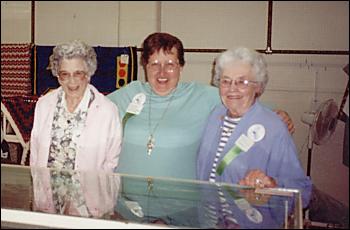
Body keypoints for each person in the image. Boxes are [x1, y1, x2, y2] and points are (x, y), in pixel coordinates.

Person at [107, 32, 294, 180]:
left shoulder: (200, 96)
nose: (161, 72)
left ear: (181, 66)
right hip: (127, 203)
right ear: (144, 66)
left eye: (170, 64)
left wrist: (278, 114)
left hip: (181, 206)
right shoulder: (130, 93)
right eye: (154, 64)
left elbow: (241, 99)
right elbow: (96, 105)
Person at [196, 47, 312, 210]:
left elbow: (302, 191)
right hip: (210, 219)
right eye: (226, 81)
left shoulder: (274, 127)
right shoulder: (216, 116)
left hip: (249, 222)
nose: (232, 88)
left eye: (242, 82)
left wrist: (271, 185)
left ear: (257, 86)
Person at [30, 40, 122, 172]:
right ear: (57, 75)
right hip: (48, 189)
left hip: (89, 190)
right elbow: (35, 154)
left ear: (89, 74)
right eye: (65, 74)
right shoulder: (43, 105)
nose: (72, 81)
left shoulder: (107, 111)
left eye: (78, 74)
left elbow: (112, 162)